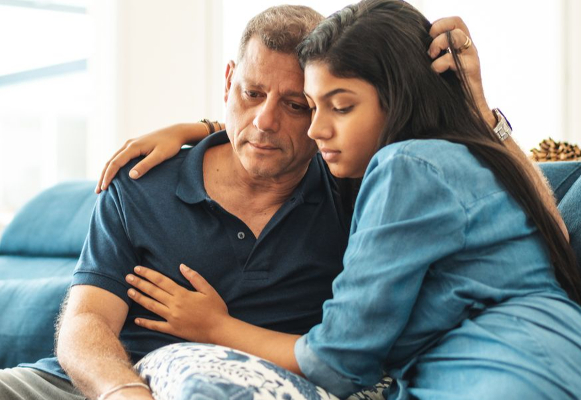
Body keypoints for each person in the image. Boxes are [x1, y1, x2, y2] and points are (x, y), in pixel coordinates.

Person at [115, 1, 581, 399]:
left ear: (397, 98)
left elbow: (336, 362)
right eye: (312, 107)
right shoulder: (449, 160)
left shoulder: (405, 167)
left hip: (508, 377)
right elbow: (553, 232)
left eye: (339, 107)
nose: (317, 129)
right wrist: (204, 131)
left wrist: (215, 327)